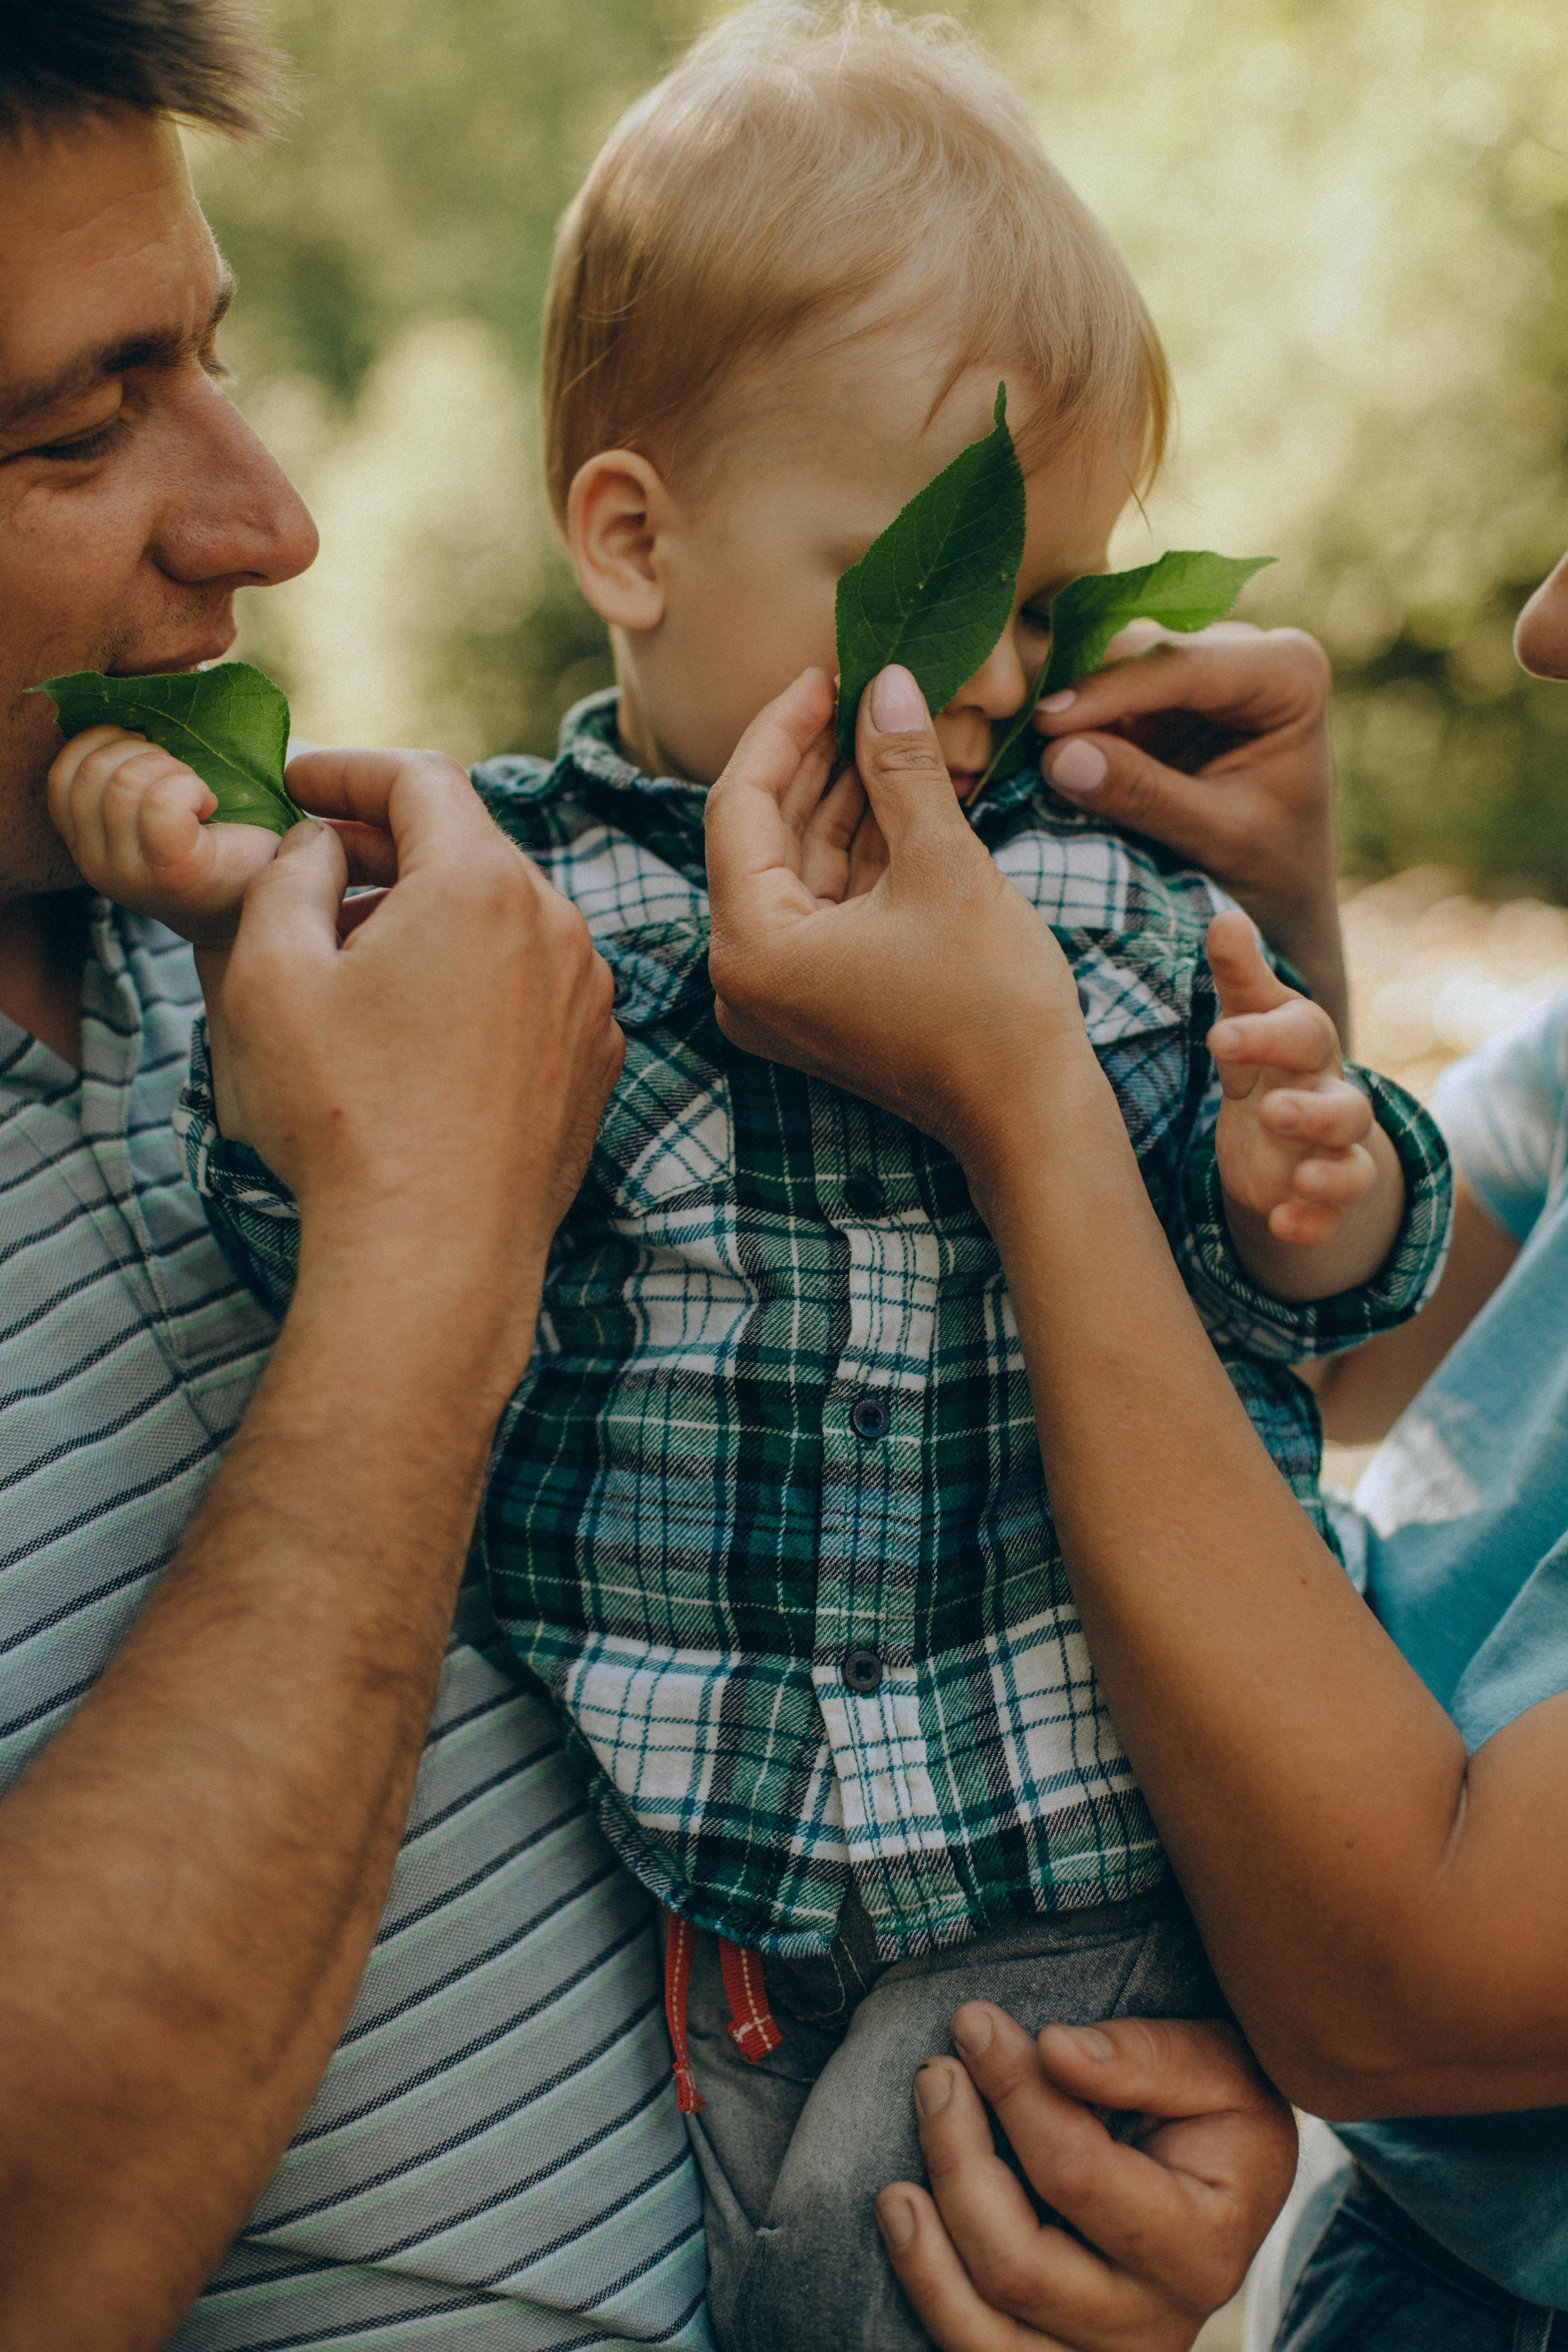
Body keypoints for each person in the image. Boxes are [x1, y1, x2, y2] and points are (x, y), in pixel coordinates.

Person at [54, 10, 1449, 2346]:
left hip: (1051, 1857)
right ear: (633, 534)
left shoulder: (1078, 904)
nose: (978, 686)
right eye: (930, 588)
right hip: (703, 1864)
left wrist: (1325, 1173)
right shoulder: (497, 921)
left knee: (873, 2274)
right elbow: (311, 1215)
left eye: (1043, 602)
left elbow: (1305, 1290)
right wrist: (202, 890)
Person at [692, 527, 1568, 2345]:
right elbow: (1334, 1354)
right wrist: (1246, 979)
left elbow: (1411, 1988)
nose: (1544, 624)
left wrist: (1035, 1105)